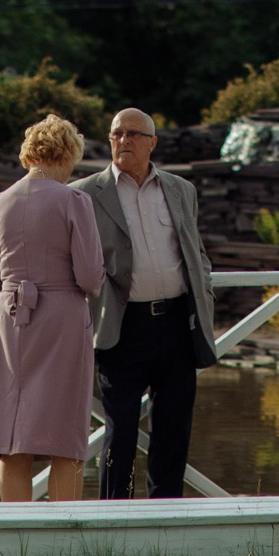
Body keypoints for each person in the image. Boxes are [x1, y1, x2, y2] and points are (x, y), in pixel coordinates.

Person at [72, 107, 219, 499]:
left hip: (175, 324)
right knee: (119, 432)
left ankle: (165, 520)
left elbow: (196, 252)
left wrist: (203, 289)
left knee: (172, 429)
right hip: (121, 325)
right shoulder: (85, 194)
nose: (124, 141)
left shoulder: (180, 189)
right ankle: (115, 522)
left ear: (153, 143)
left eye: (134, 134)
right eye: (117, 134)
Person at [0, 112, 106, 501]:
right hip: (62, 316)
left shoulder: (1, 202)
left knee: (14, 432)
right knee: (65, 433)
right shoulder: (73, 200)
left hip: (12, 315)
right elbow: (89, 276)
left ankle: (17, 537)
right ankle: (63, 540)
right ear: (67, 155)